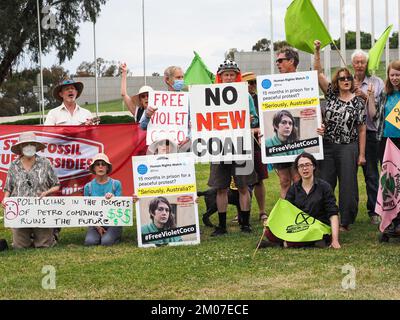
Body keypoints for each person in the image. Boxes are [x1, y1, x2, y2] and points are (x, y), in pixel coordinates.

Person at [314, 40, 366, 232]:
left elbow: (361, 130)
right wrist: (317, 51)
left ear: (352, 81)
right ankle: (326, 216)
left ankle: (345, 221)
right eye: (342, 78)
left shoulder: (358, 102)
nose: (345, 80)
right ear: (336, 81)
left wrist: (361, 154)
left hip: (348, 147)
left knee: (348, 186)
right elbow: (318, 73)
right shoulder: (331, 95)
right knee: (326, 182)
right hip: (328, 146)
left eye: (348, 78)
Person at [208, 59, 259, 236]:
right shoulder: (210, 95)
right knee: (220, 187)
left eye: (232, 74)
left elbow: (254, 118)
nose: (229, 78)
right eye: (225, 75)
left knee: (244, 186)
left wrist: (251, 120)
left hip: (241, 144)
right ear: (220, 77)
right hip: (219, 146)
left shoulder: (245, 96)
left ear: (236, 76)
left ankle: (245, 223)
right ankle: (222, 226)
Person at [259, 153, 341, 249]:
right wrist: (271, 222)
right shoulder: (293, 189)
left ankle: (285, 243)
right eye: (301, 166)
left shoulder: (324, 187)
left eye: (307, 165)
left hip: (318, 226)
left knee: (315, 232)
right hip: (300, 226)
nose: (304, 168)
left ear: (313, 166)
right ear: (297, 169)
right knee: (269, 232)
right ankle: (305, 242)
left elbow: (333, 214)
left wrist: (335, 240)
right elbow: (286, 212)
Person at [1, 132, 60, 249]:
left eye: (31, 144)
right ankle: (28, 234)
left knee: (43, 245)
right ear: (21, 148)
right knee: (20, 246)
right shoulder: (14, 165)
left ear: (36, 147)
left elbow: (56, 185)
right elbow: (8, 187)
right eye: (25, 144)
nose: (28, 147)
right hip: (21, 211)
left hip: (41, 209)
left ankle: (53, 232)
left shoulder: (45, 163)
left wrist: (46, 193)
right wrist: (5, 199)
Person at [352, 50, 384, 225]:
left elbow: (378, 111)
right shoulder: (346, 81)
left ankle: (374, 211)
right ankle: (350, 213)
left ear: (366, 64)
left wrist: (364, 95)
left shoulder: (376, 82)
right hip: (350, 135)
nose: (359, 65)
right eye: (356, 62)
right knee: (349, 176)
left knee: (371, 174)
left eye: (362, 62)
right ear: (352, 64)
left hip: (371, 134)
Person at [274, 47, 302, 198]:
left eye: (280, 60)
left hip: (299, 139)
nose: (277, 64)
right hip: (281, 141)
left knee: (298, 179)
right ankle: (285, 216)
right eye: (276, 61)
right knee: (285, 181)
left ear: (291, 61)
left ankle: (302, 213)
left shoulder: (305, 80)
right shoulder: (274, 83)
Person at [242, 71, 269, 222]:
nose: (252, 86)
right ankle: (242, 211)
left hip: (257, 143)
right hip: (241, 143)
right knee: (242, 181)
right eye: (249, 83)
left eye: (254, 83)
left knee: (259, 179)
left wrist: (258, 127)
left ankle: (262, 211)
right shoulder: (235, 99)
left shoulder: (262, 99)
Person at [84, 153, 123, 246]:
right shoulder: (88, 187)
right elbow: (86, 209)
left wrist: (113, 199)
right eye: (97, 164)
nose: (100, 167)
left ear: (107, 168)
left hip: (113, 222)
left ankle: (115, 235)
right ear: (93, 168)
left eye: (103, 164)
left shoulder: (116, 184)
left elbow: (121, 206)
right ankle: (101, 234)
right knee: (90, 242)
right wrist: (97, 226)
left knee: (106, 242)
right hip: (95, 222)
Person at [140, 66, 185, 130]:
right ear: (167, 79)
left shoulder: (188, 99)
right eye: (178, 77)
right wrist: (147, 116)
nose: (181, 80)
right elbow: (142, 127)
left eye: (182, 77)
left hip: (183, 138)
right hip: (163, 138)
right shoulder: (157, 100)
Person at [374, 60, 400, 160]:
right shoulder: (384, 93)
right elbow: (377, 116)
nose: (394, 78)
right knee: (388, 172)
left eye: (398, 75)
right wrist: (370, 96)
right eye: (392, 75)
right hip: (386, 138)